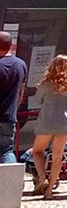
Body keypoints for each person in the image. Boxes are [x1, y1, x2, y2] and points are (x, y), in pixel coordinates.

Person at [28, 55, 67, 198]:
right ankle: (50, 191)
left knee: (37, 151)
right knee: (57, 156)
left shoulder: (47, 83)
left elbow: (38, 100)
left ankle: (42, 178)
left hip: (47, 121)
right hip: (65, 123)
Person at [0, 31, 26, 167]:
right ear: (11, 45)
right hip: (9, 116)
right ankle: (10, 183)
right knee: (6, 150)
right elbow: (21, 91)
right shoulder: (20, 65)